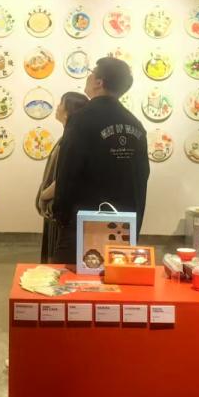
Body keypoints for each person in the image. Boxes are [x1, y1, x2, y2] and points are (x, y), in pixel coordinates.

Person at [50, 57, 150, 265]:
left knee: (75, 280)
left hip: (84, 224)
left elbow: (68, 171)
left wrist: (61, 216)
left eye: (91, 72)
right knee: (116, 277)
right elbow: (142, 176)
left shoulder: (81, 119)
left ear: (99, 82)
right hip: (123, 224)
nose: (88, 76)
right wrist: (135, 223)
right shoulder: (135, 124)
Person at [35, 92, 89, 262]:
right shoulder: (68, 137)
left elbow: (65, 176)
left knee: (56, 261)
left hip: (58, 209)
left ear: (68, 111)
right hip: (54, 209)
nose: (57, 107)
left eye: (61, 103)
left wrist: (44, 195)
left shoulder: (71, 140)